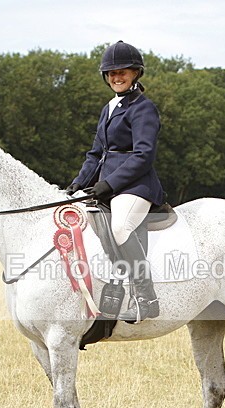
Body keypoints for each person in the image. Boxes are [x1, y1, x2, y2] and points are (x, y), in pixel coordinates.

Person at [65, 41, 166, 323]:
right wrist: (77, 185)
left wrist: (108, 184)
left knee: (120, 227)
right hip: (107, 185)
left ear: (135, 73)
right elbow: (96, 153)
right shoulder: (109, 108)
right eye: (111, 73)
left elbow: (144, 155)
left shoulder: (143, 108)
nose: (116, 77)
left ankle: (146, 297)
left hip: (136, 186)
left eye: (122, 72)